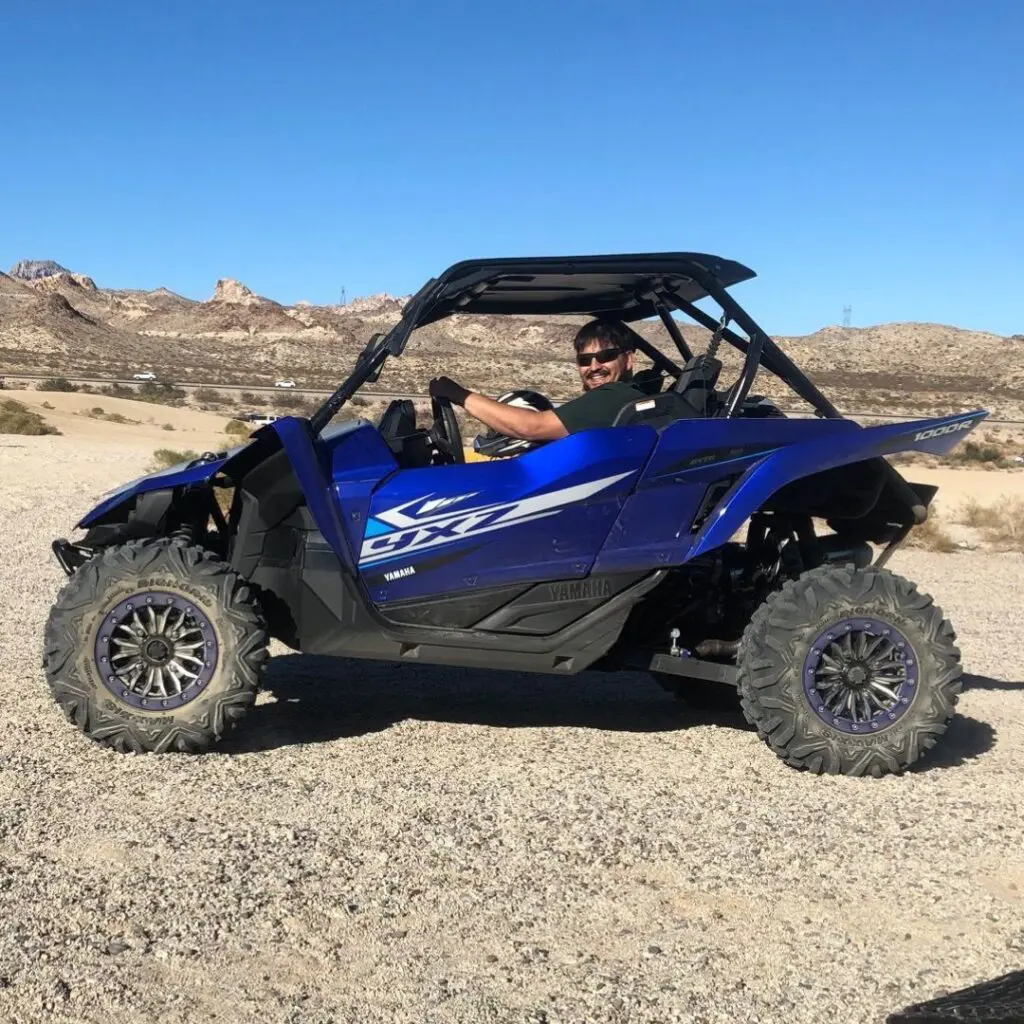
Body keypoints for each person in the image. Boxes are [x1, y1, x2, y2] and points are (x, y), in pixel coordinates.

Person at [428, 320, 643, 443]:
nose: (594, 367)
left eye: (606, 356)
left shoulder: (613, 396)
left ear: (629, 359)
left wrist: (457, 394)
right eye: (585, 360)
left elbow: (531, 427)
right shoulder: (623, 399)